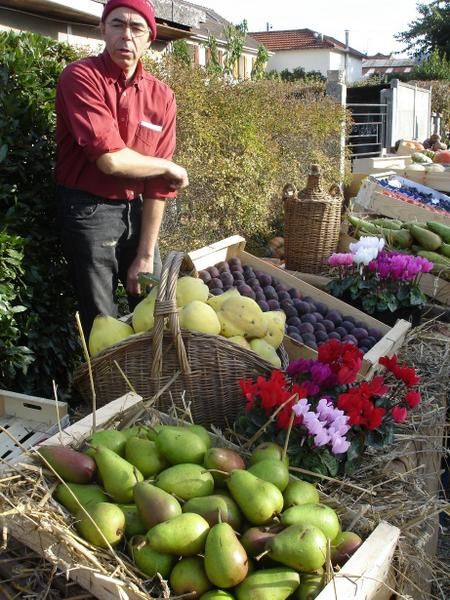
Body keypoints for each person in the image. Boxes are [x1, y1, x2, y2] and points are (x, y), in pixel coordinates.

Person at [55, 0, 188, 338]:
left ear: (149, 39)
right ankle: (107, 388)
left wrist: (145, 254)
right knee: (102, 320)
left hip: (139, 210)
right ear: (103, 29)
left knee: (155, 306)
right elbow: (110, 160)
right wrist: (167, 165)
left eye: (136, 28)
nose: (126, 36)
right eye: (117, 24)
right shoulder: (81, 77)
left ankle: (153, 385)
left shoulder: (162, 97)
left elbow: (160, 185)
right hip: (88, 209)